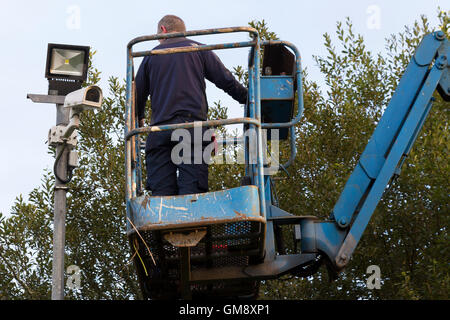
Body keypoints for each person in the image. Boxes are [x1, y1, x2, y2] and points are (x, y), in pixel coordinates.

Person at [135, 15, 247, 196]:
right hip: (192, 128)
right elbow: (226, 80)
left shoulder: (150, 56)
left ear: (163, 30)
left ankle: (165, 223)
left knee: (161, 195)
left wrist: (139, 117)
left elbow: (137, 94)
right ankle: (192, 224)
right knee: (192, 191)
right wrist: (249, 100)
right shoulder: (199, 49)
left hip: (159, 130)